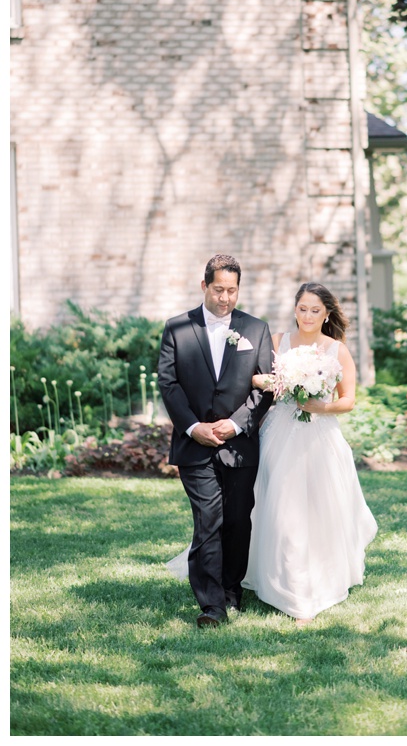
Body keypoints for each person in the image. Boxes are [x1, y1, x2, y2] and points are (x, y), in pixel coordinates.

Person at [240, 282, 379, 622]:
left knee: (317, 509)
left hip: (320, 436)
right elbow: (258, 379)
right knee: (280, 506)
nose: (307, 315)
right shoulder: (278, 343)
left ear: (326, 313)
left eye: (315, 310)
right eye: (302, 308)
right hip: (279, 433)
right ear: (295, 309)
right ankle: (286, 583)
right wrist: (268, 382)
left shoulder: (337, 350)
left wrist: (320, 405)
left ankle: (318, 579)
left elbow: (348, 401)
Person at [159, 254, 275, 627]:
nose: (225, 298)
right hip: (195, 444)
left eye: (232, 290)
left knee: (238, 521)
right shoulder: (177, 328)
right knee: (208, 519)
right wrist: (194, 428)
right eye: (219, 289)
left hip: (239, 445)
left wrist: (237, 424)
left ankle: (231, 591)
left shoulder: (255, 329)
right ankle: (212, 605)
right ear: (204, 285)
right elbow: (169, 383)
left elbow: (267, 387)